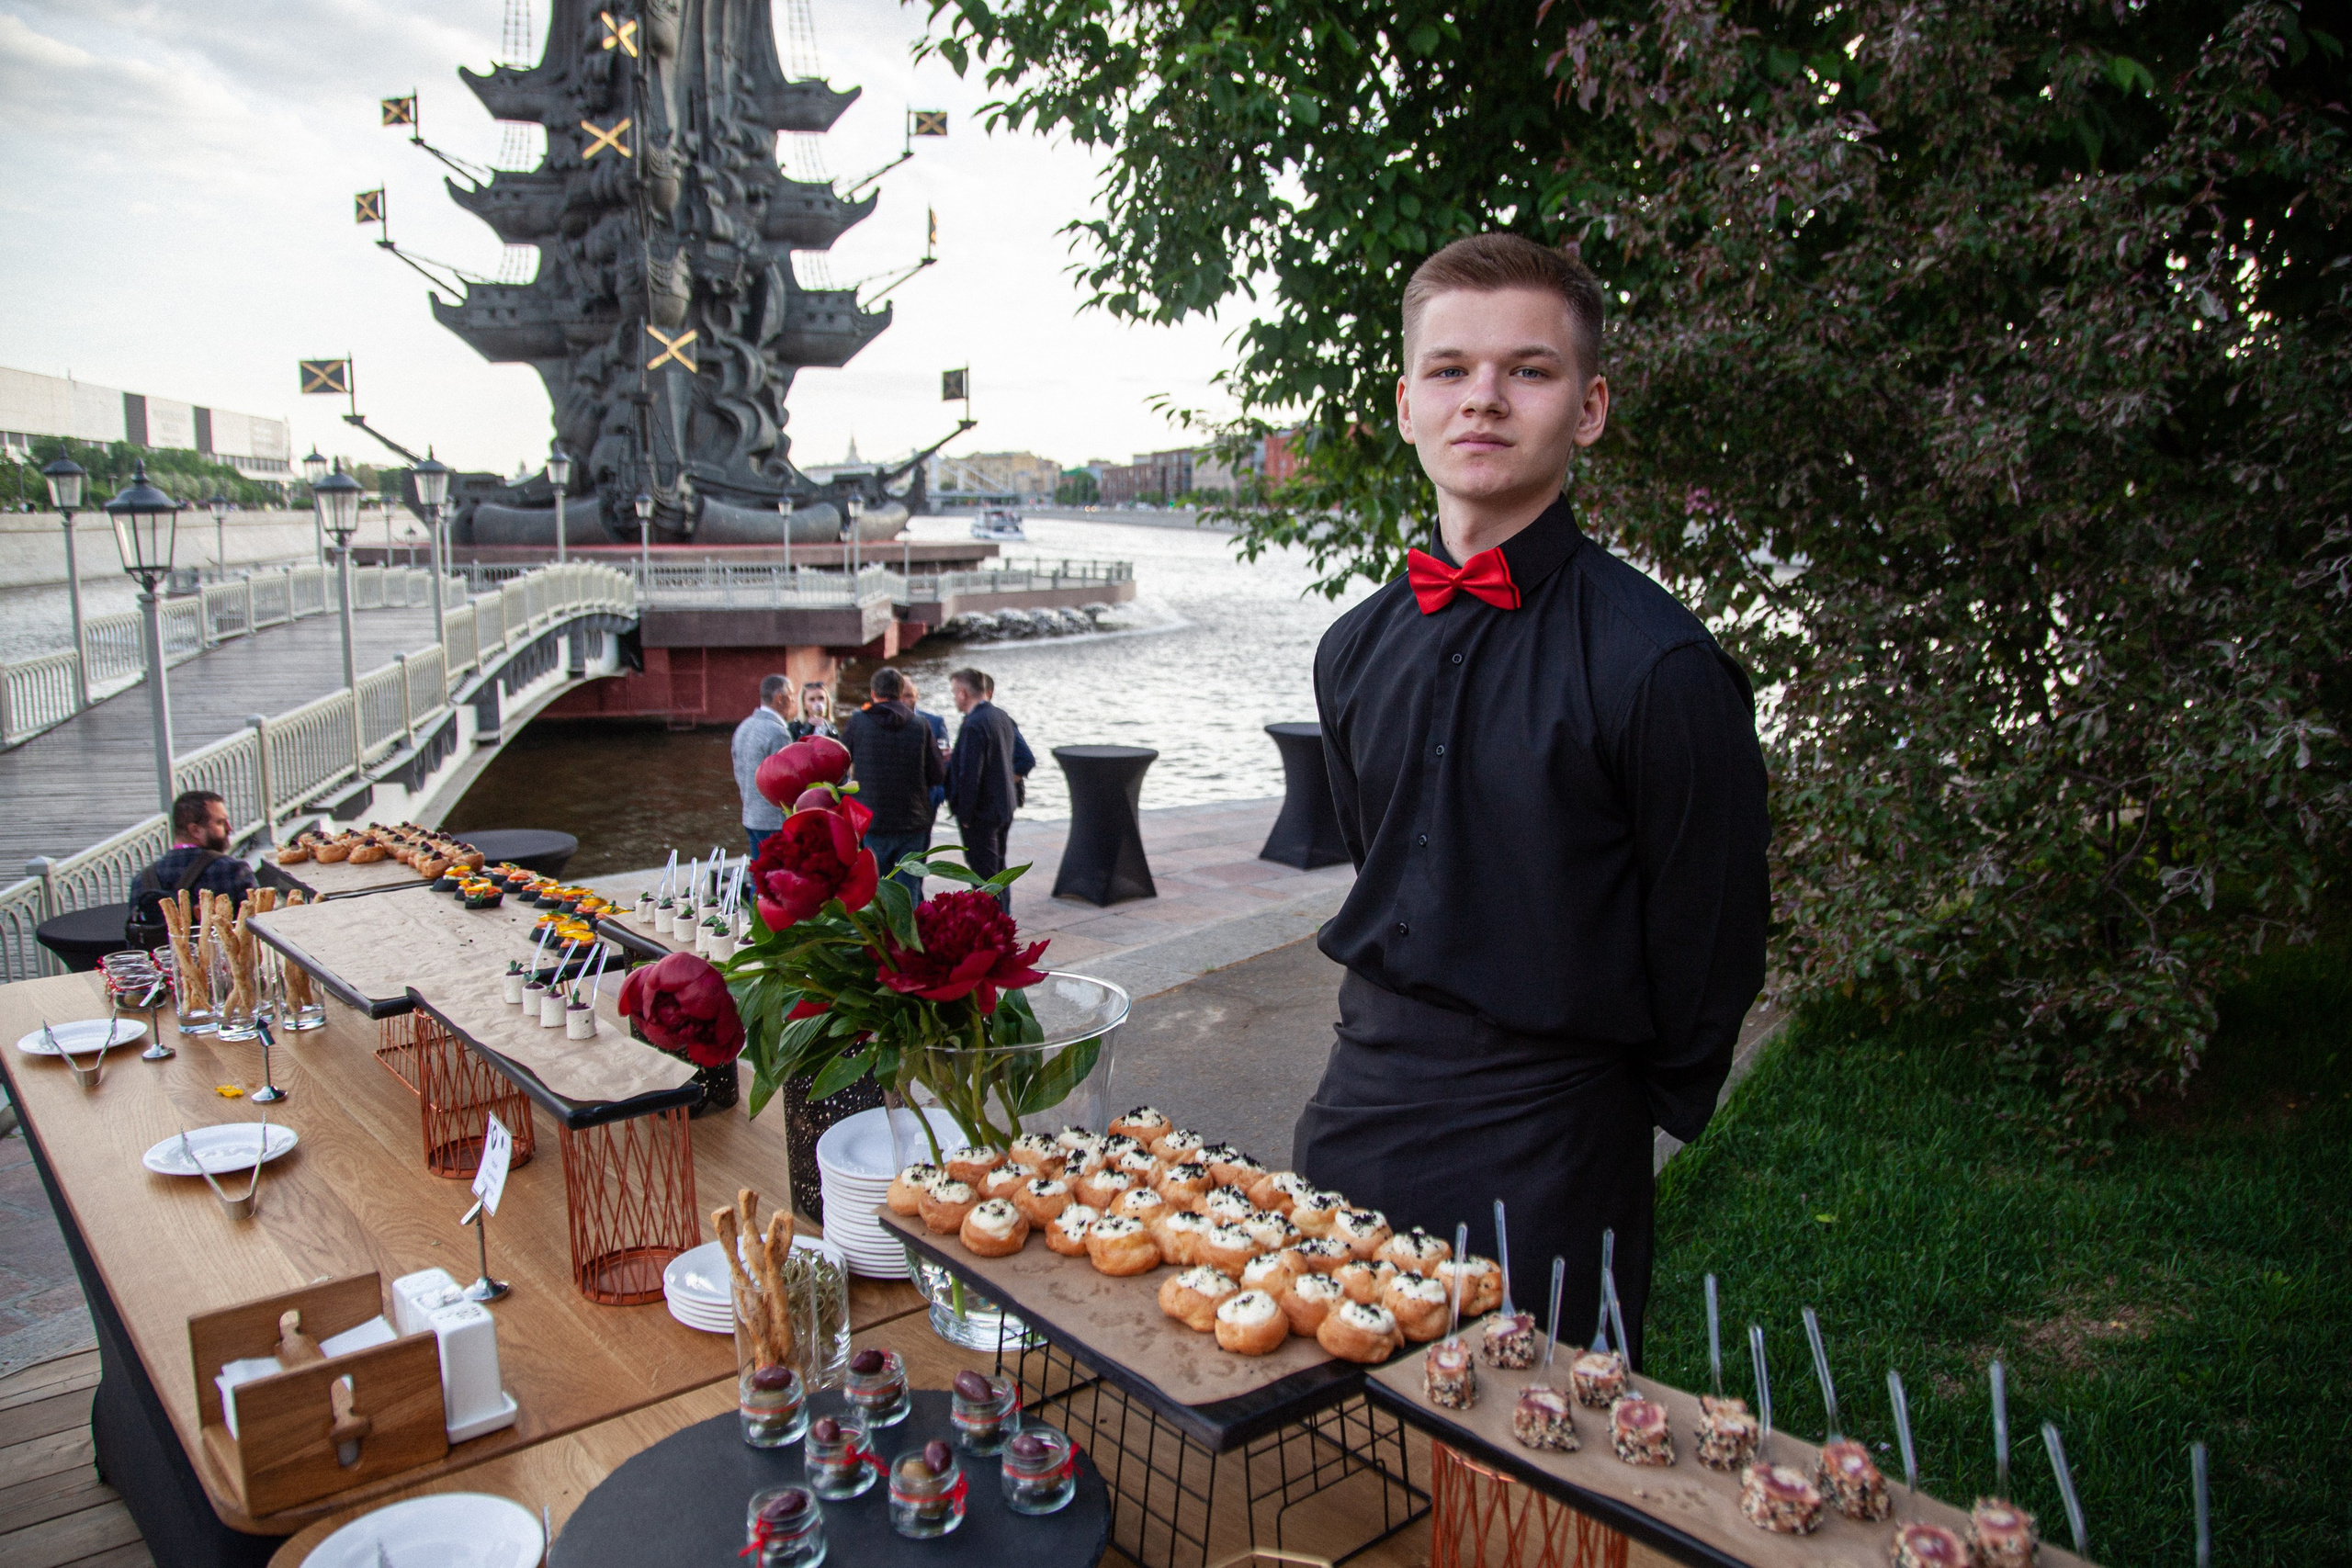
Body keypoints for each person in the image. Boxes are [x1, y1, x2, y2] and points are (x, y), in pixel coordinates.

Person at [1294, 233, 1770, 1368]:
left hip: (1552, 1133)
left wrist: (1612, 1113)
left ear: (1589, 408)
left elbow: (1711, 938)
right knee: (1337, 1436)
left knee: (1532, 1471)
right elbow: (1386, 862)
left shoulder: (1661, 667)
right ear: (1407, 406)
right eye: (1451, 371)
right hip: (1359, 1099)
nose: (1484, 400)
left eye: (1530, 370)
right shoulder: (1352, 649)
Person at [841, 667, 946, 896]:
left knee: (879, 890)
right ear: (901, 693)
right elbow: (937, 775)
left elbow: (840, 762)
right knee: (909, 889)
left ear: (873, 693)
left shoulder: (858, 722)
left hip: (873, 820)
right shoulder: (920, 725)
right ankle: (909, 930)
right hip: (913, 821)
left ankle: (882, 931)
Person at [944, 668, 1034, 904]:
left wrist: (964, 813)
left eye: (954, 691)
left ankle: (994, 930)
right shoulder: (1001, 717)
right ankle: (1005, 925)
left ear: (964, 692)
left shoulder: (973, 724)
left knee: (984, 879)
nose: (954, 697)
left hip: (981, 815)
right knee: (999, 873)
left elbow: (970, 774)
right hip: (1004, 807)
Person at [129, 791, 259, 942]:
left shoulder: (141, 880)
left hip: (164, 963)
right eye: (220, 823)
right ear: (195, 830)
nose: (229, 828)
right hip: (222, 963)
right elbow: (261, 929)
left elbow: (134, 941)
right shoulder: (233, 870)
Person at [733, 674, 798, 857]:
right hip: (773, 822)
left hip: (750, 816)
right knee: (775, 878)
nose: (793, 700)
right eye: (791, 695)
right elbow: (785, 782)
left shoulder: (744, 726)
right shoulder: (778, 733)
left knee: (759, 876)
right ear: (779, 698)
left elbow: (739, 772)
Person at [902, 675, 952, 818]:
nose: (904, 701)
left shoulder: (934, 722)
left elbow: (946, 758)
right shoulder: (885, 722)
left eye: (908, 696)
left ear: (916, 696)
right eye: (900, 696)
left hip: (928, 797)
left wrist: (939, 794)